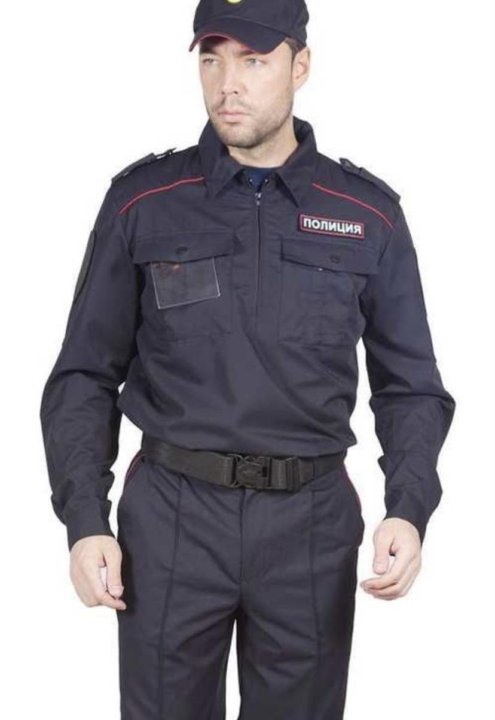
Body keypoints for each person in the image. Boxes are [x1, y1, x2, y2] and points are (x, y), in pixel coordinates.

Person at [39, 0, 456, 717]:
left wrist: (408, 508)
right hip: (172, 518)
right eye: (212, 58)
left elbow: (410, 386)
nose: (227, 83)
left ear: (300, 66)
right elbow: (83, 374)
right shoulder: (145, 202)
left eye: (254, 60)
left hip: (310, 524)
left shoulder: (366, 214)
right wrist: (85, 521)